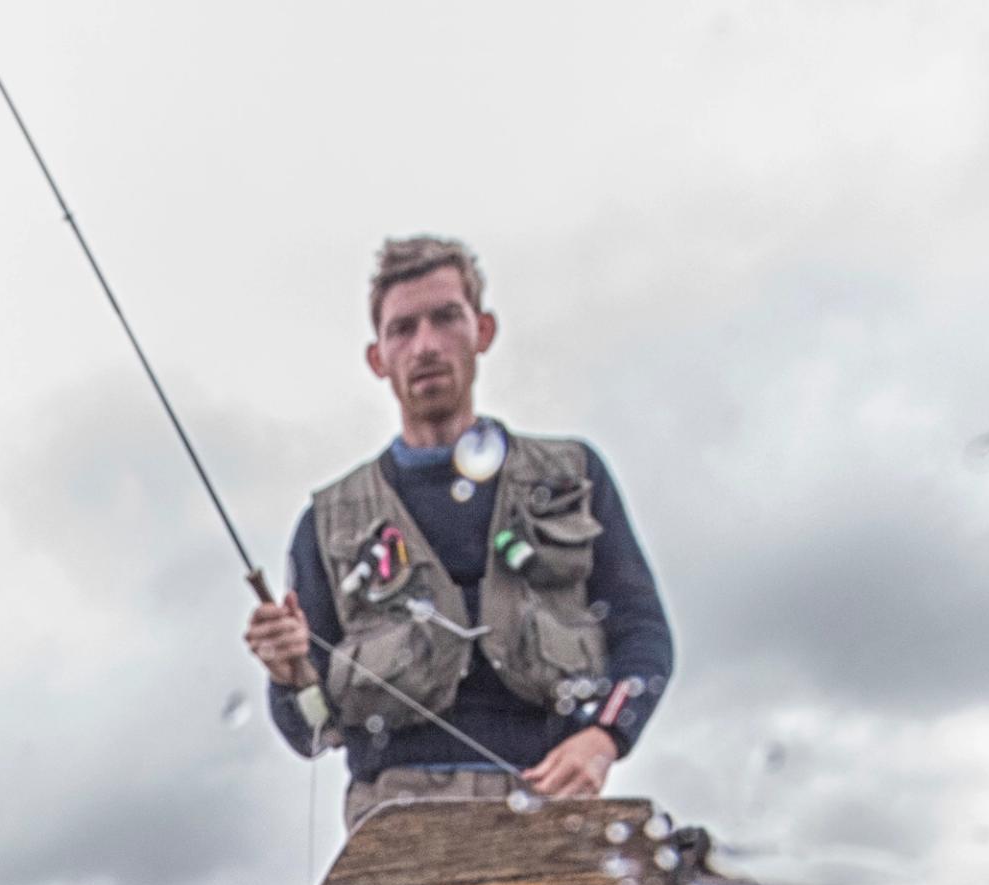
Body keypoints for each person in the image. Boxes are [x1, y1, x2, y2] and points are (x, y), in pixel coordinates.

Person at [246, 235, 674, 830]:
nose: (425, 345)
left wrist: (603, 738)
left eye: (446, 318)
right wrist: (288, 675)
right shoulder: (326, 522)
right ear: (377, 358)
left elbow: (643, 632)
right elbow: (312, 732)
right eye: (402, 329)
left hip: (549, 804)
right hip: (394, 823)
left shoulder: (574, 477)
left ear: (484, 331)